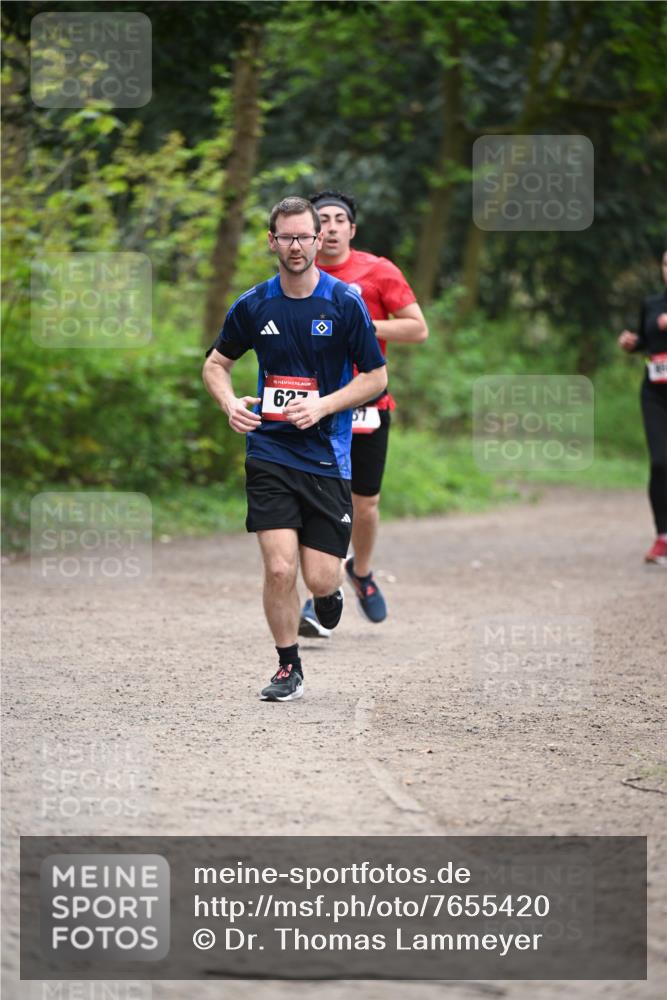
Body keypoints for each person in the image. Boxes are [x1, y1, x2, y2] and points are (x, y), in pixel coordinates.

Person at [202, 196, 387, 701]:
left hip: (327, 455)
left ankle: (328, 599)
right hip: (271, 451)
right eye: (287, 237)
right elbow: (215, 365)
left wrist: (325, 406)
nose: (297, 245)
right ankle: (288, 666)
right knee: (280, 567)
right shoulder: (254, 304)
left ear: (318, 240)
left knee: (321, 577)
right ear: (272, 242)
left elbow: (376, 377)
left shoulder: (344, 302)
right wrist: (229, 404)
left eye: (306, 236)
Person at [298, 190, 428, 637]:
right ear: (311, 232)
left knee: (364, 504)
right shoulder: (300, 275)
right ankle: (321, 594)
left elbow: (418, 328)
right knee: (321, 500)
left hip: (369, 403)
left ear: (352, 229)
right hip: (313, 405)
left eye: (339, 220)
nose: (331, 227)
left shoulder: (377, 271)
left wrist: (362, 324)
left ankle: (362, 571)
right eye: (323, 220)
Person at [617, 248, 667, 564]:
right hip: (656, 392)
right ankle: (663, 536)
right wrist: (632, 343)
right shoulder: (652, 304)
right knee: (661, 461)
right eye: (666, 264)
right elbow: (647, 343)